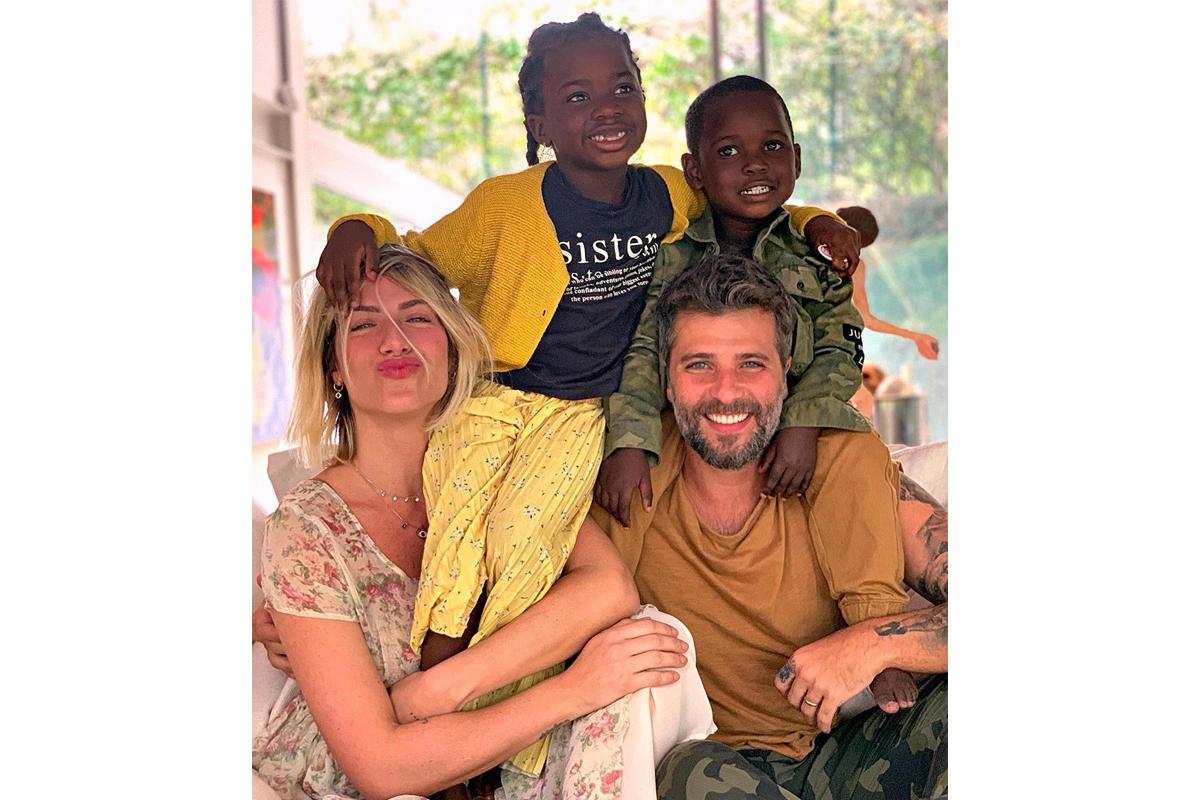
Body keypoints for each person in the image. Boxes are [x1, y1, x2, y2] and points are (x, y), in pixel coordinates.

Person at [311, 14, 862, 774]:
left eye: (622, 88)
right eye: (576, 97)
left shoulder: (668, 192)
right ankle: (429, 706)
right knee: (457, 538)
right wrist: (353, 227)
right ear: (539, 123)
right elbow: (416, 253)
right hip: (492, 401)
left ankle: (487, 739)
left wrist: (826, 221)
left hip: (579, 417)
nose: (605, 108)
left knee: (523, 552)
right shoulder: (505, 206)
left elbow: (750, 195)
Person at [252, 244, 693, 800]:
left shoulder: (502, 458)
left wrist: (438, 689)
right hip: (361, 785)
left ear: (452, 348)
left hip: (501, 761)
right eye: (363, 324)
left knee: (653, 647)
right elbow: (380, 768)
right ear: (333, 366)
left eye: (417, 317)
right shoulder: (307, 529)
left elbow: (607, 588)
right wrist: (573, 691)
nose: (395, 339)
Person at [589, 252, 948, 799]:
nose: (725, 391)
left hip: (850, 752)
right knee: (691, 771)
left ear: (787, 373)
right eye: (699, 365)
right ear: (666, 380)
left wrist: (871, 645)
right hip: (717, 769)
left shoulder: (844, 471)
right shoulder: (625, 482)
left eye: (751, 364)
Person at [597, 75, 870, 525]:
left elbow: (840, 346)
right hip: (697, 427)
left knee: (860, 462)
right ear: (694, 171)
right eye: (728, 151)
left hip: (794, 429)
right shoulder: (671, 255)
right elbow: (643, 349)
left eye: (773, 147)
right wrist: (630, 441)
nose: (755, 164)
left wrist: (802, 422)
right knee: (628, 498)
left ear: (797, 159)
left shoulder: (818, 254)